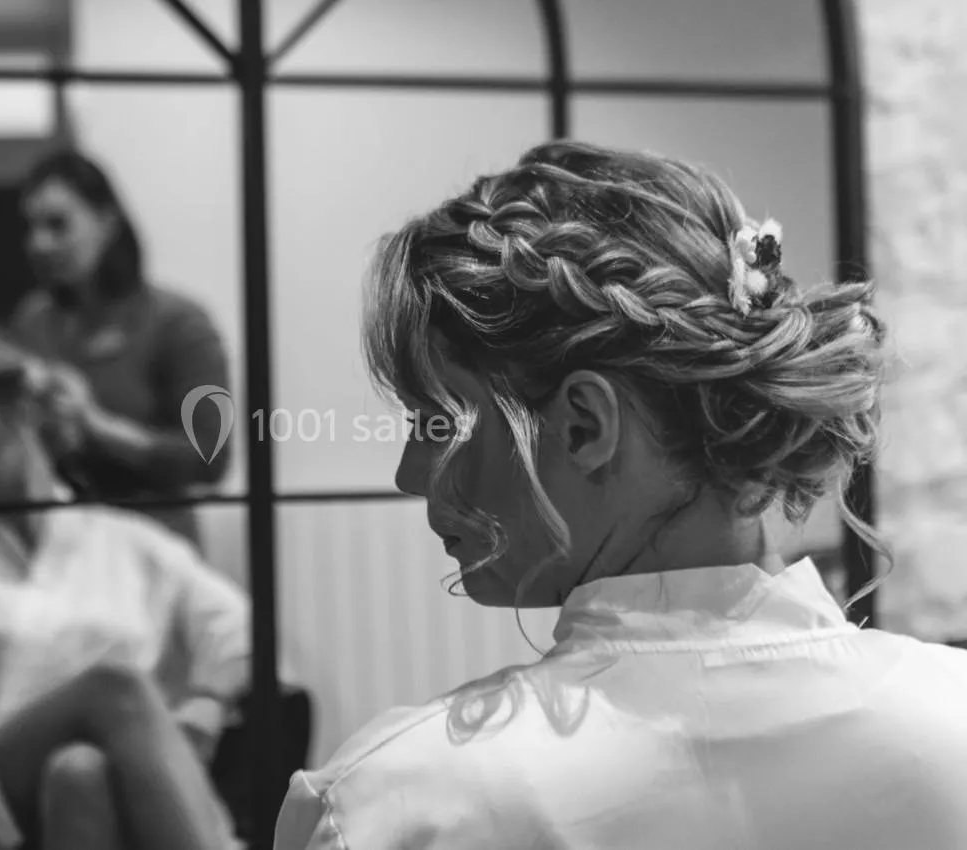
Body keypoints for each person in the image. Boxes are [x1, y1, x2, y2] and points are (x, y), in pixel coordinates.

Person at [273, 141, 967, 849]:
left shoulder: (398, 808)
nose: (409, 473)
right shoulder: (951, 722)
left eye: (437, 423)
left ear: (585, 425)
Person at [0, 335, 250, 850]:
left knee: (79, 773)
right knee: (116, 686)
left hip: (114, 776)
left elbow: (240, 627)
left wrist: (206, 706)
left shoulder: (131, 543)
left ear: (23, 418)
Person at [7, 149, 232, 547]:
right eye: (30, 227)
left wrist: (96, 425)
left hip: (155, 549)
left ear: (107, 224)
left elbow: (210, 459)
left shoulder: (180, 323)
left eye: (58, 225)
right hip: (63, 547)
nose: (38, 243)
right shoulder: (33, 321)